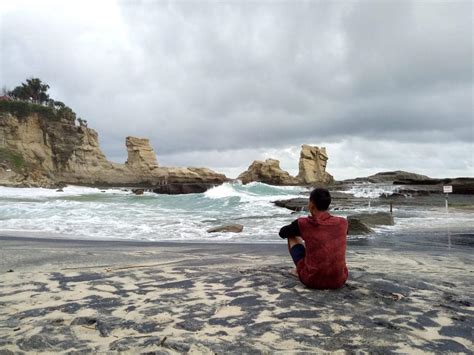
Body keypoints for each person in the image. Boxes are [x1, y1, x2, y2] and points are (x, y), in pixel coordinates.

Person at [279, 187, 348, 289]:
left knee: (291, 235)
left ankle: (299, 270)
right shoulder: (343, 222)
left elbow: (282, 233)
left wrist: (302, 231)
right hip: (339, 280)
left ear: (311, 205)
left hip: (312, 280)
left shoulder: (303, 223)